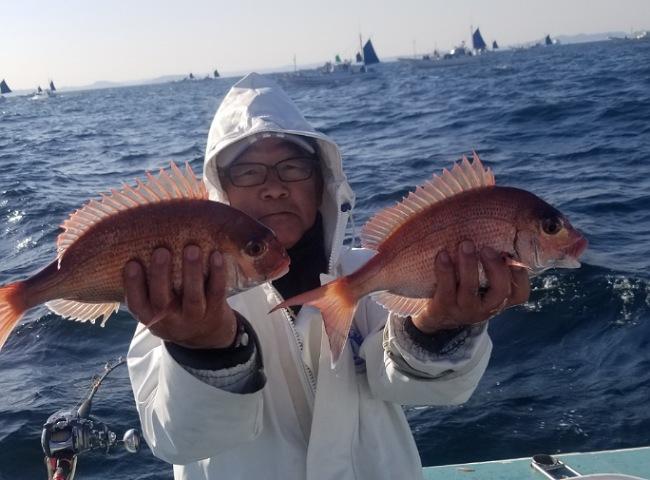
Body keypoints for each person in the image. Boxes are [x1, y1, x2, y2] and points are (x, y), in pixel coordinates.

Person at [125, 72, 530, 480]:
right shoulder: (176, 304)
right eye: (247, 172)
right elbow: (176, 440)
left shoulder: (369, 274)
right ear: (221, 193)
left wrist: (440, 327)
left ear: (321, 182)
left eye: (293, 167)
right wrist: (203, 349)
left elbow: (430, 389)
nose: (274, 188)